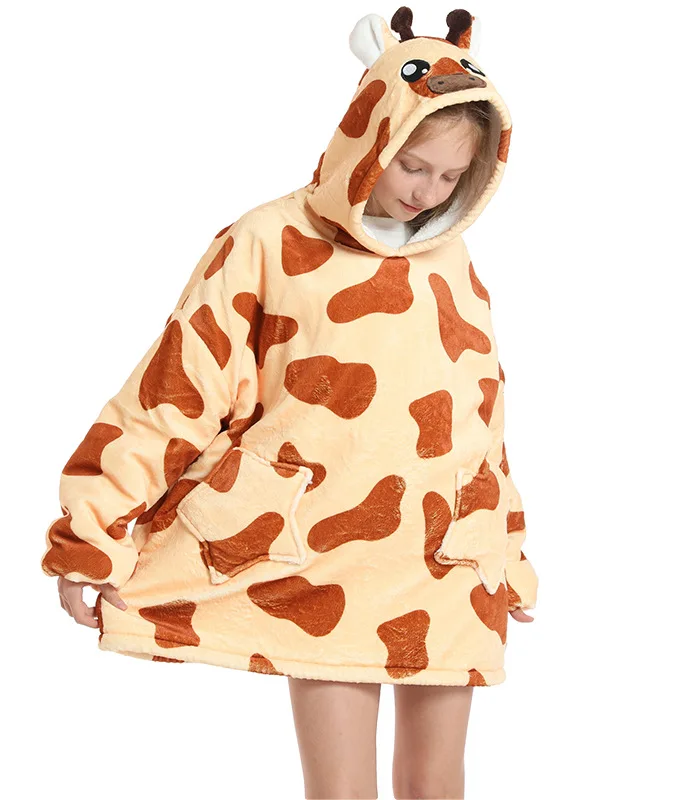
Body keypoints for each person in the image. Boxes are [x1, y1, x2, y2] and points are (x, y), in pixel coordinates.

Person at [41, 7, 539, 799]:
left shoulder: (452, 262)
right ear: (368, 131)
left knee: (437, 784)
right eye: (412, 165)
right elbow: (175, 390)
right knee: (341, 791)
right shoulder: (268, 240)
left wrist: (505, 547)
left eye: (451, 178)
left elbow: (483, 416)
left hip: (444, 561)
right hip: (319, 556)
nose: (427, 193)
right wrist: (91, 533)